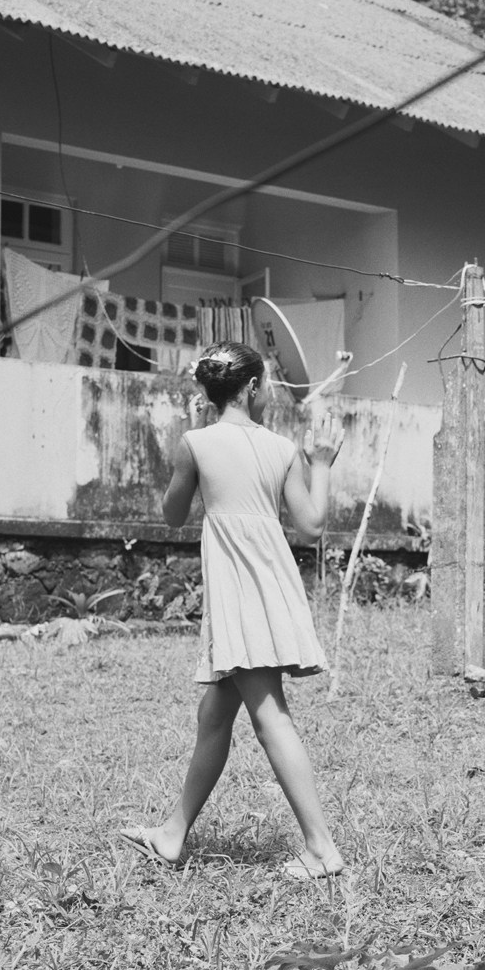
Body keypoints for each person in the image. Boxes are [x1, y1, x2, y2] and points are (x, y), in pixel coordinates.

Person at [119, 342, 347, 880]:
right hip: (271, 584)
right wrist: (320, 464)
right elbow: (311, 525)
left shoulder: (195, 444)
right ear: (250, 388)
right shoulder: (282, 448)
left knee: (270, 718)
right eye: (265, 385)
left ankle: (321, 848)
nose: (266, 393)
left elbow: (172, 516)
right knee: (215, 714)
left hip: (238, 595)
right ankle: (173, 834)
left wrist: (188, 447)